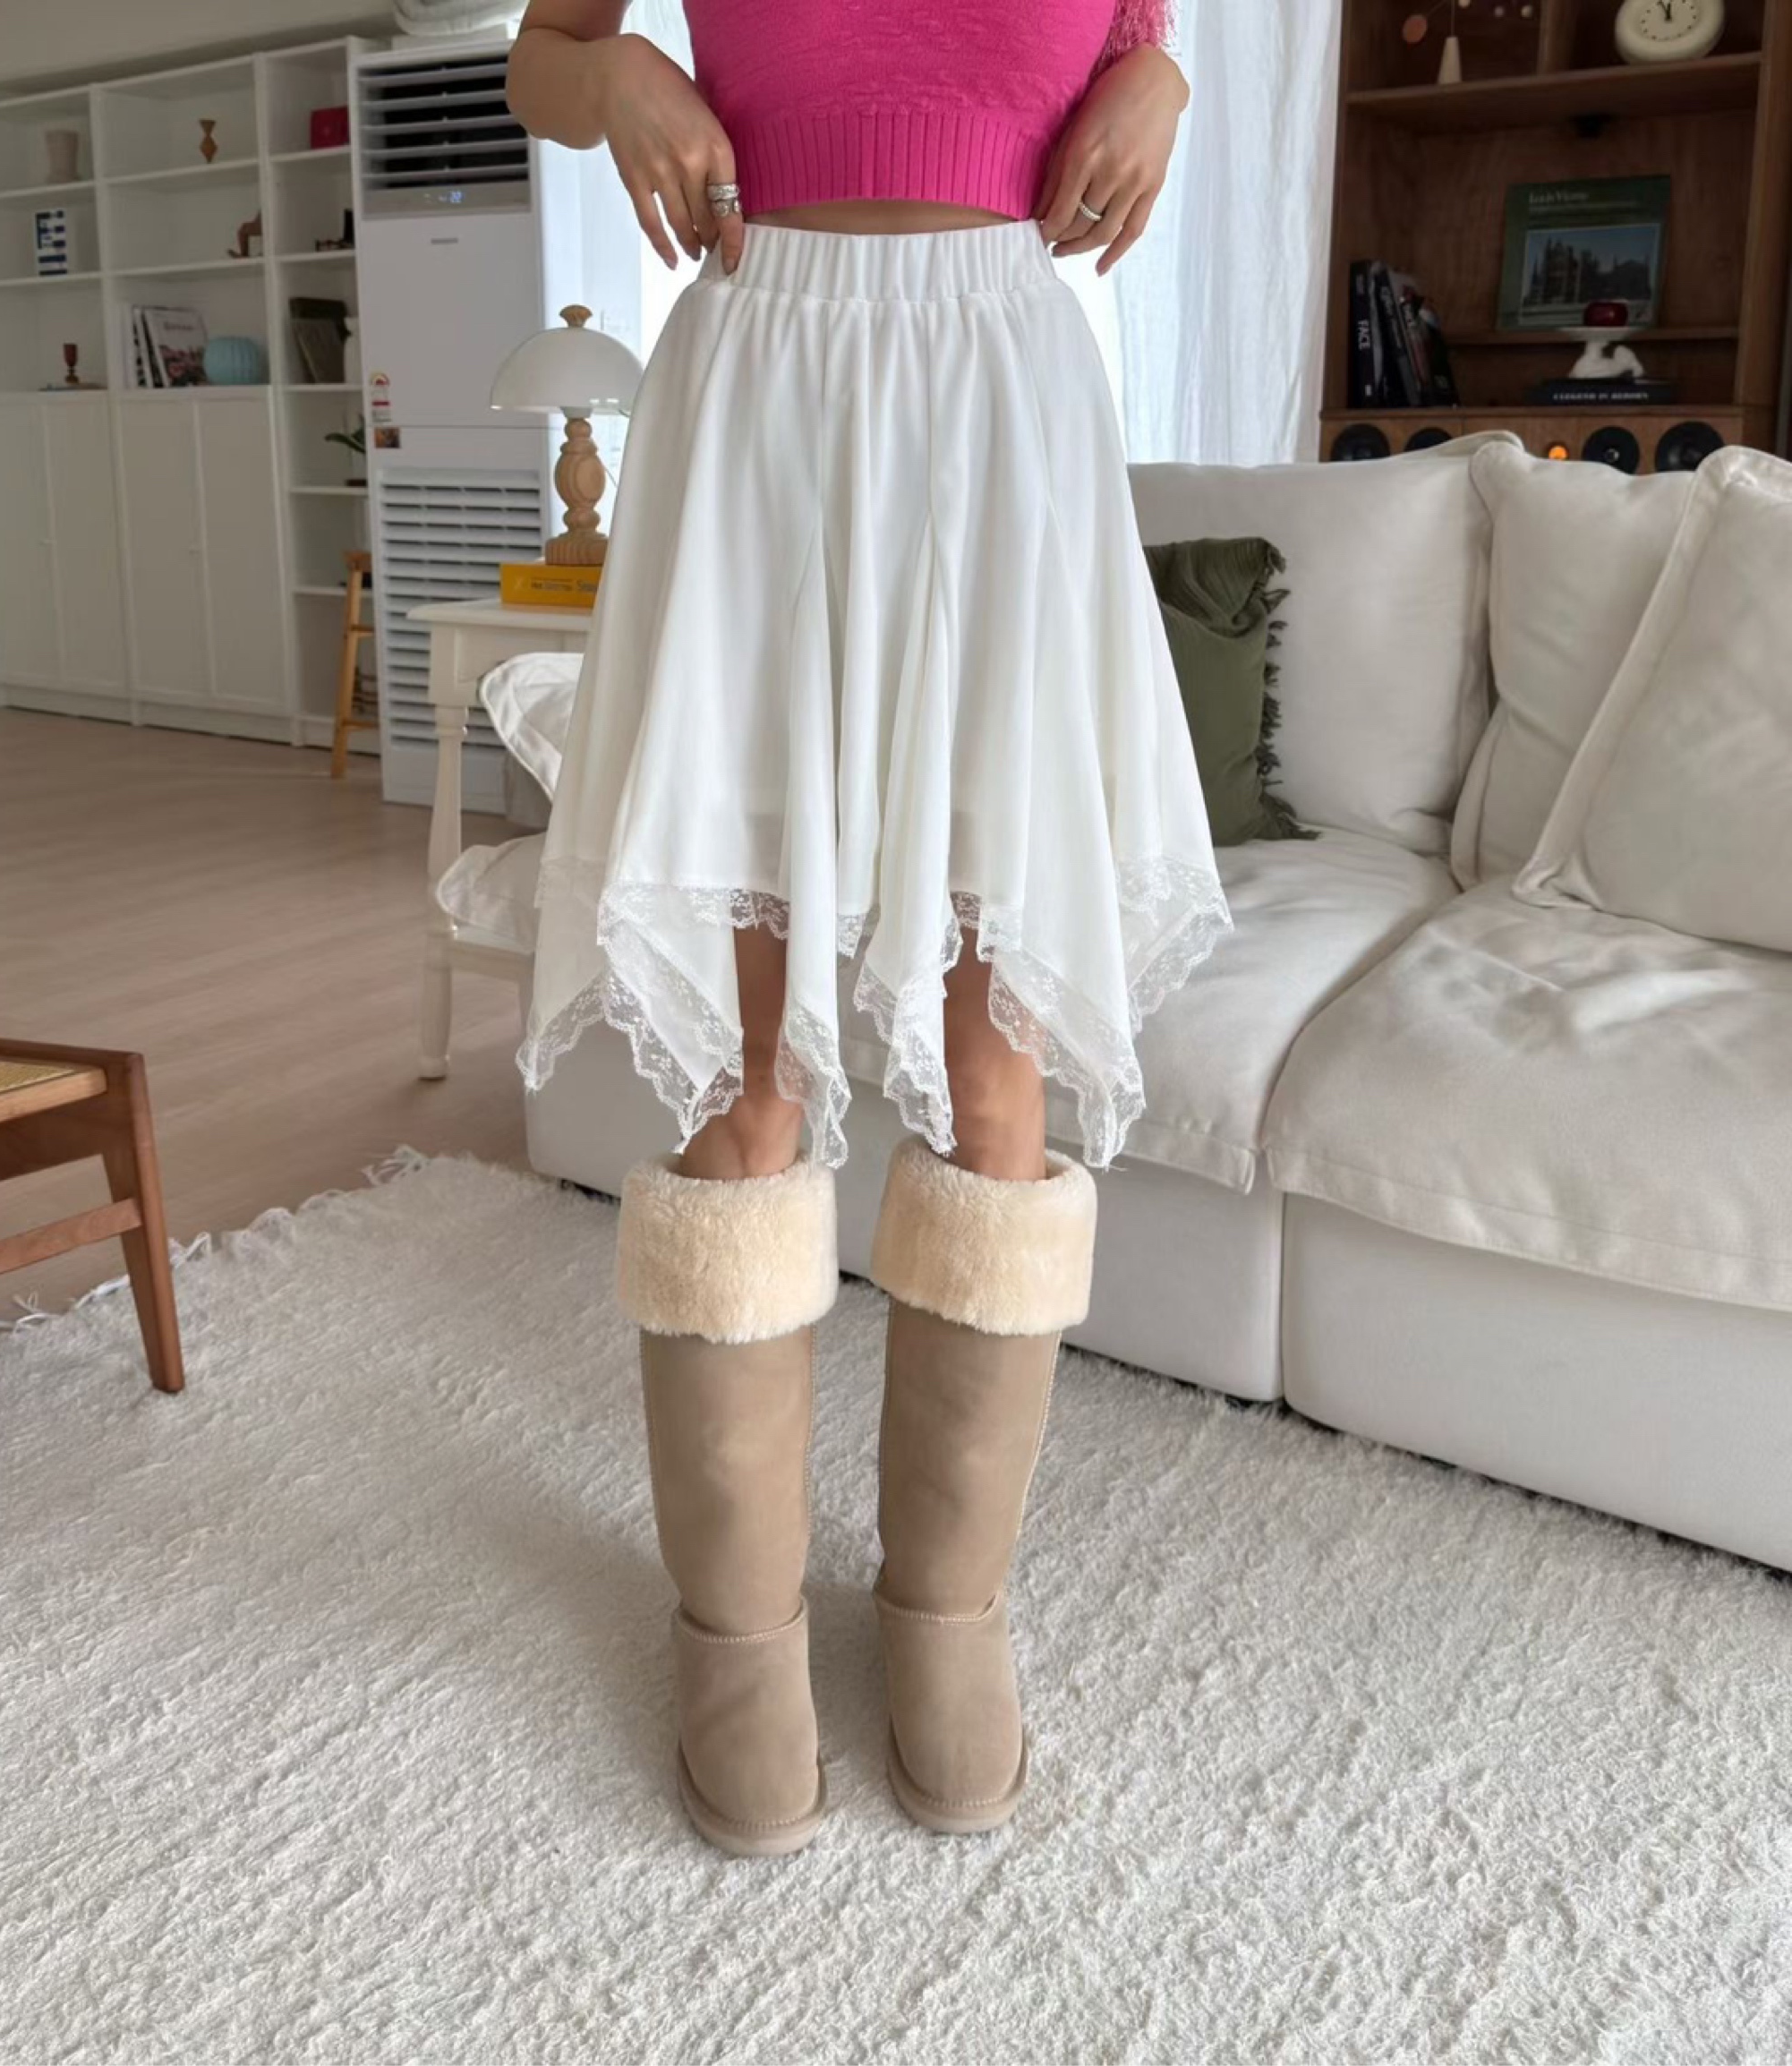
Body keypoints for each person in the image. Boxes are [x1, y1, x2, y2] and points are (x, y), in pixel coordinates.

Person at [507, 0, 1228, 1856]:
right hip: (762, 376)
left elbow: (1138, 39)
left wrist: (1162, 77)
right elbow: (544, 56)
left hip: (999, 387)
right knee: (749, 1091)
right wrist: (616, 74)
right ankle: (735, 1628)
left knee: (999, 1090)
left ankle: (947, 1608)